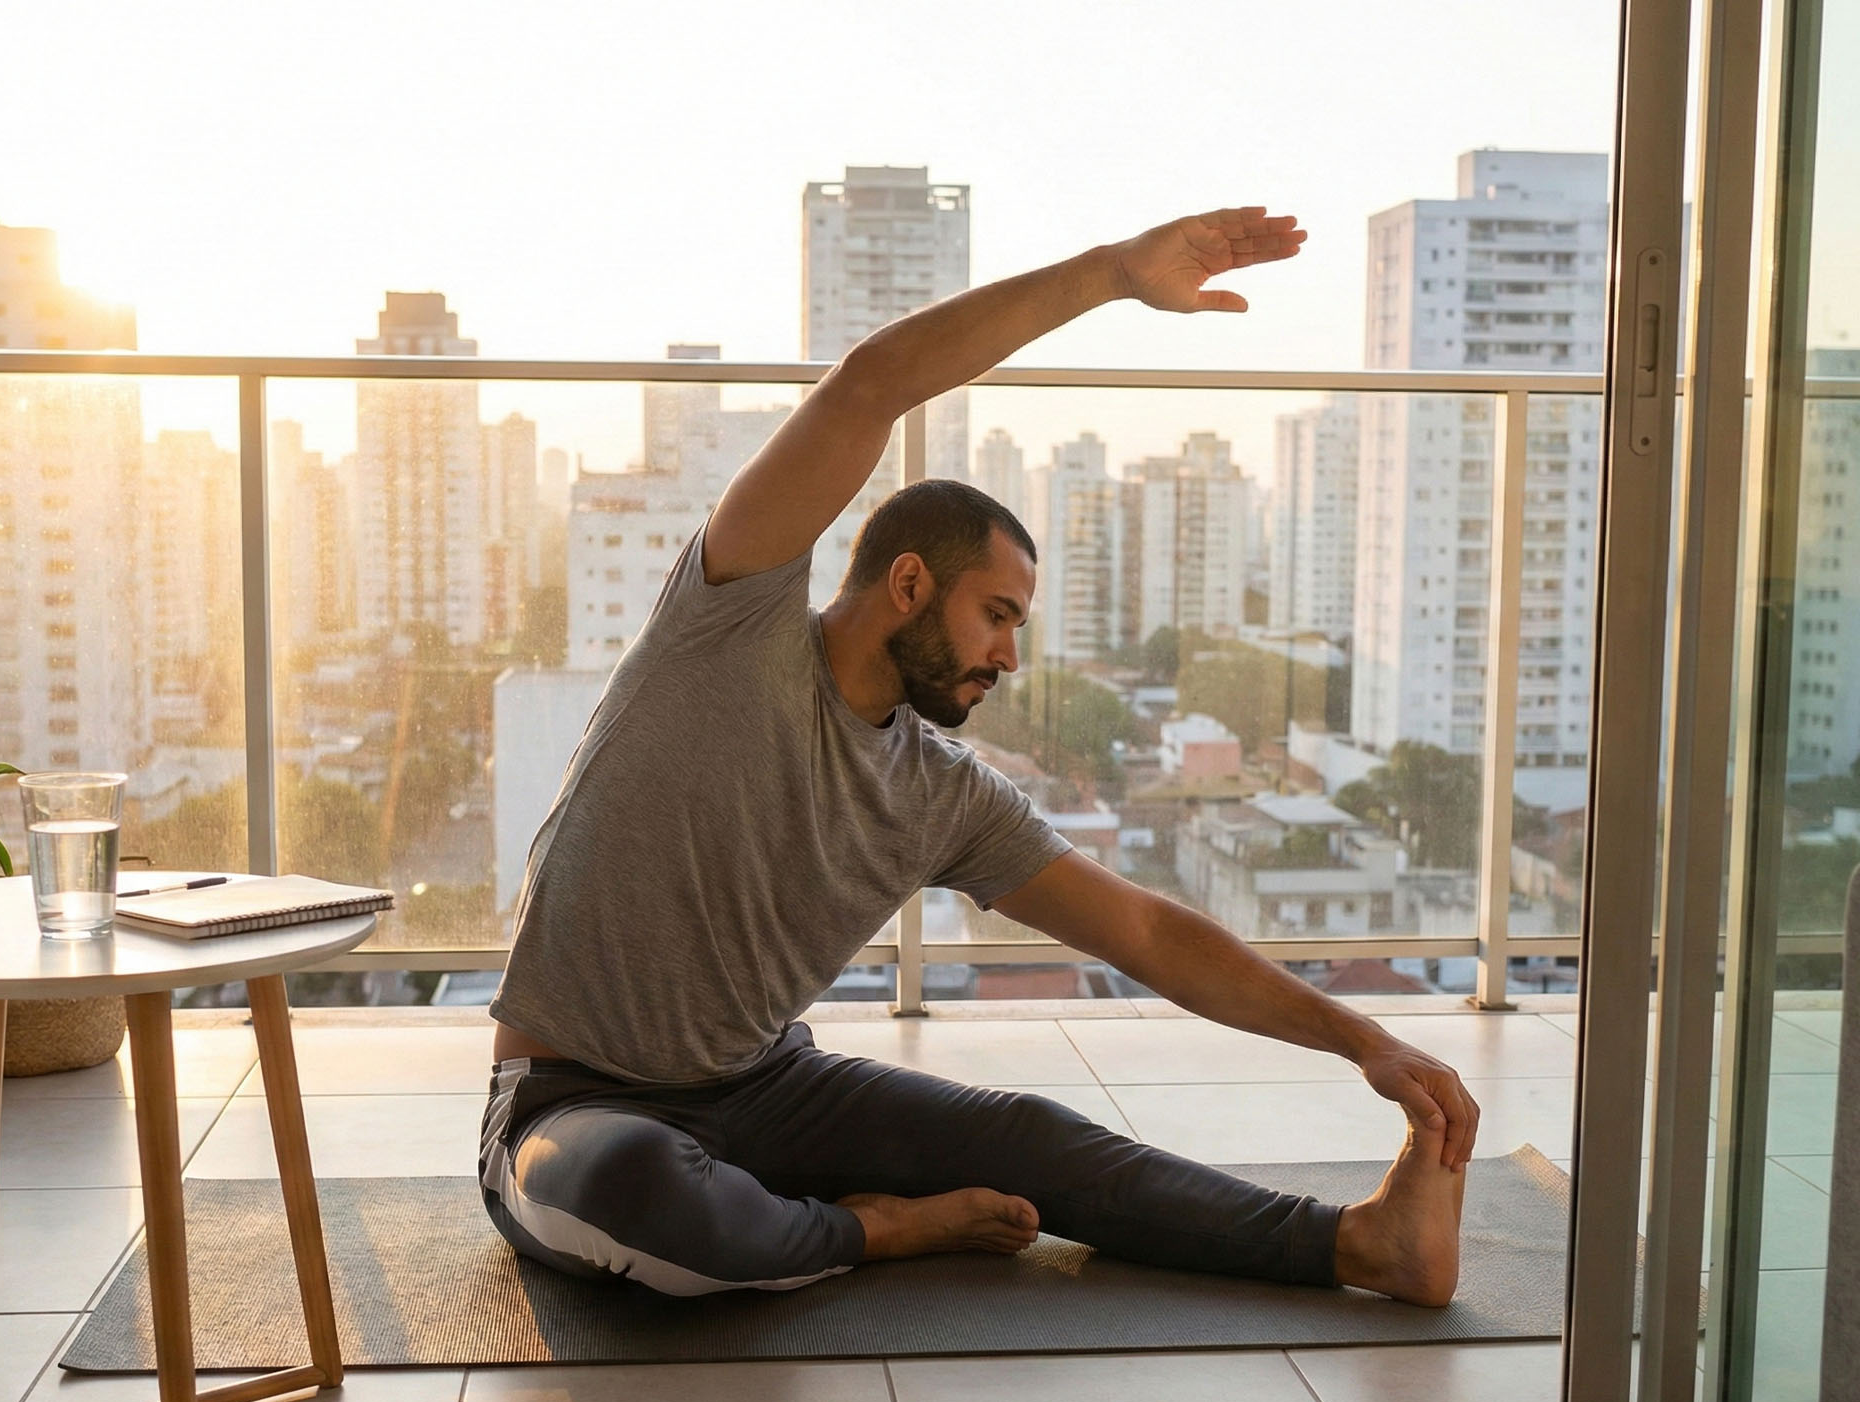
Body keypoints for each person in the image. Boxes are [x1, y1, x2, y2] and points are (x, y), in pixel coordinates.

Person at [479, 208, 1476, 1306]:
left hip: (765, 1091)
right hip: (574, 1103)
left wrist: (1362, 1039)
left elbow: (1147, 931)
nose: (1008, 655)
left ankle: (1358, 1243)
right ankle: (870, 1232)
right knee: (636, 1189)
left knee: (1027, 1135)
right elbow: (868, 383)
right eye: (994, 614)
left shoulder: (943, 795)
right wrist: (1110, 275)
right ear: (907, 583)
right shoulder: (727, 627)